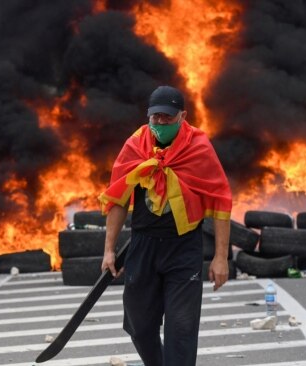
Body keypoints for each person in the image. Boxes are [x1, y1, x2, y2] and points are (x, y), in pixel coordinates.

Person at [99, 85, 232, 366]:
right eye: (155, 116)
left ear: (182, 116)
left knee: (181, 329)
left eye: (167, 117)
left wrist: (221, 258)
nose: (160, 123)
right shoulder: (135, 145)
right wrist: (109, 250)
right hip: (143, 245)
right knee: (138, 324)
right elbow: (118, 198)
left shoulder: (198, 147)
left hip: (183, 248)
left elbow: (221, 201)